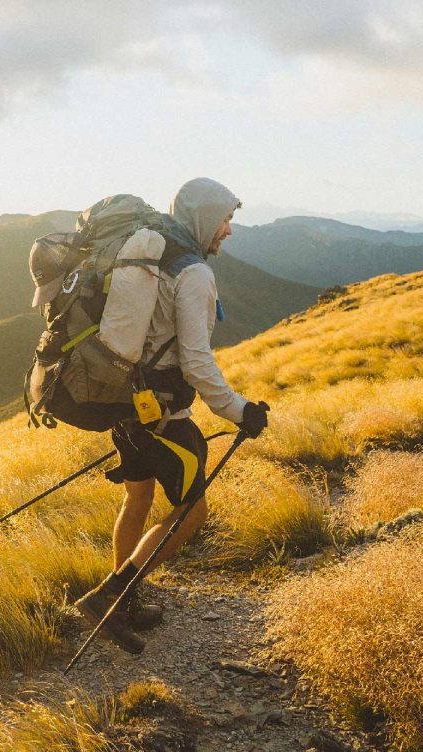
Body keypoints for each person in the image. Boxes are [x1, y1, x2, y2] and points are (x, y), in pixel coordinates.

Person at [72, 177, 270, 654]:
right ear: (205, 218)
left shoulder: (153, 255)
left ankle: (126, 600)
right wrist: (239, 410)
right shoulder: (194, 273)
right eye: (225, 219)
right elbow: (197, 362)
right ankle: (111, 596)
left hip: (125, 401)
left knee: (136, 501)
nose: (228, 231)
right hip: (163, 414)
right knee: (191, 511)